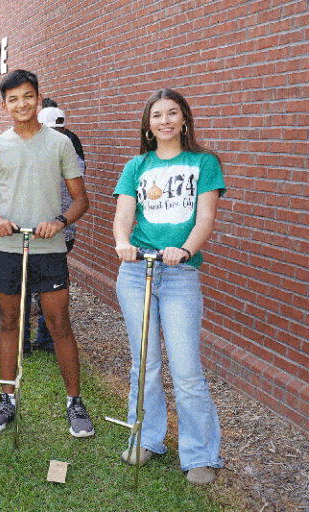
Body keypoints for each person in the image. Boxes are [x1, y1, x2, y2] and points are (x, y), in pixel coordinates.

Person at [113, 88, 225, 484]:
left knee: (185, 368)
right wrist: (122, 243)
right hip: (136, 273)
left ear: (184, 120)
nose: (164, 121)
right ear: (148, 125)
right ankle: (146, 436)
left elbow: (205, 219)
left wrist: (185, 249)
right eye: (157, 115)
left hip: (179, 275)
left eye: (172, 113)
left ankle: (199, 454)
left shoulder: (203, 163)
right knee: (144, 363)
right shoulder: (136, 166)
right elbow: (124, 214)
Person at [0, 70, 94, 438]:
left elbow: (80, 199)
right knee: (10, 323)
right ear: (5, 105)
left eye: (28, 96)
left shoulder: (60, 144)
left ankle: (74, 402)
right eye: (13, 99)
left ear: (38, 98)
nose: (21, 104)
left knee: (59, 324)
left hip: (48, 249)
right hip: (8, 248)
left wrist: (59, 222)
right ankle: (5, 399)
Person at [32, 105, 88, 349]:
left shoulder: (48, 154)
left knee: (36, 285)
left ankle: (37, 338)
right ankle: (46, 337)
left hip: (49, 232)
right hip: (65, 233)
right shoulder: (73, 153)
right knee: (51, 286)